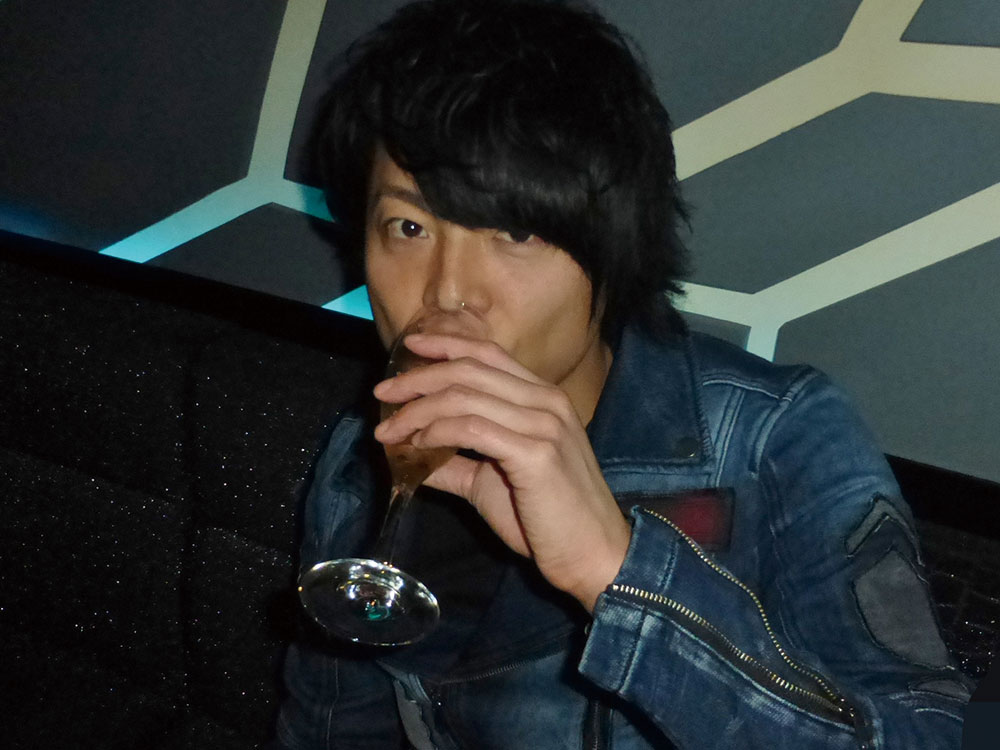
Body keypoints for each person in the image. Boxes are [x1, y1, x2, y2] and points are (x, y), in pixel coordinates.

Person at [274, 1, 972, 747]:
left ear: (611, 248)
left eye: (515, 231)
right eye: (409, 227)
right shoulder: (361, 457)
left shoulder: (771, 439)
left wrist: (617, 570)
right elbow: (330, 728)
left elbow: (930, 734)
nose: (447, 292)